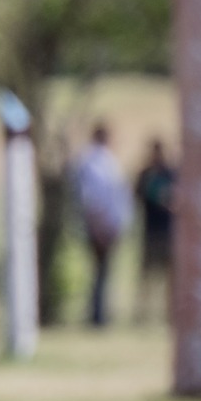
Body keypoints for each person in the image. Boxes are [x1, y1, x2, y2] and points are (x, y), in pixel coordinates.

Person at [72, 123, 130, 328]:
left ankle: (101, 313)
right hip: (101, 226)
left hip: (109, 226)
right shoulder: (93, 162)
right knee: (100, 272)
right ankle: (97, 316)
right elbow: (92, 199)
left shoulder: (106, 160)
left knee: (104, 272)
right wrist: (98, 227)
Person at [136, 139, 175, 324]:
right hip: (150, 231)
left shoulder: (171, 173)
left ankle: (170, 313)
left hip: (167, 231)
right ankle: (143, 314)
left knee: (170, 277)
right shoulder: (146, 174)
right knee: (147, 276)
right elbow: (137, 195)